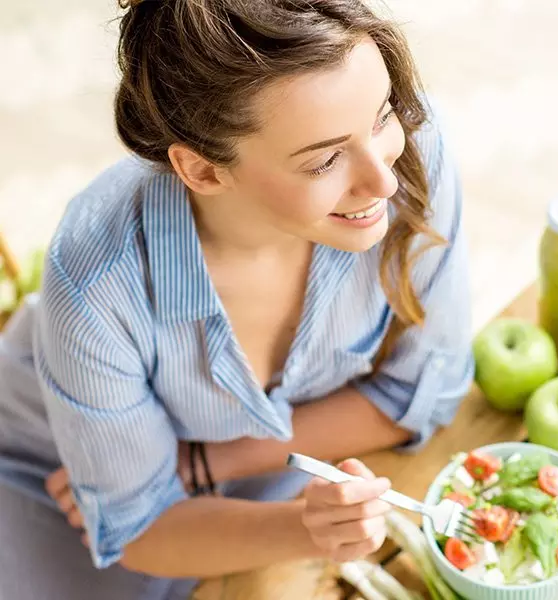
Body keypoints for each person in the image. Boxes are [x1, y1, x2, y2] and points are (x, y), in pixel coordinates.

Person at [0, 0, 474, 598]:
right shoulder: (96, 278)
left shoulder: (409, 154)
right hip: (44, 474)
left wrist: (208, 462)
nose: (383, 179)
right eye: (325, 160)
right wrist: (306, 527)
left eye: (381, 116)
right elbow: (141, 525)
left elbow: (425, 391)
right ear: (202, 171)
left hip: (246, 475)